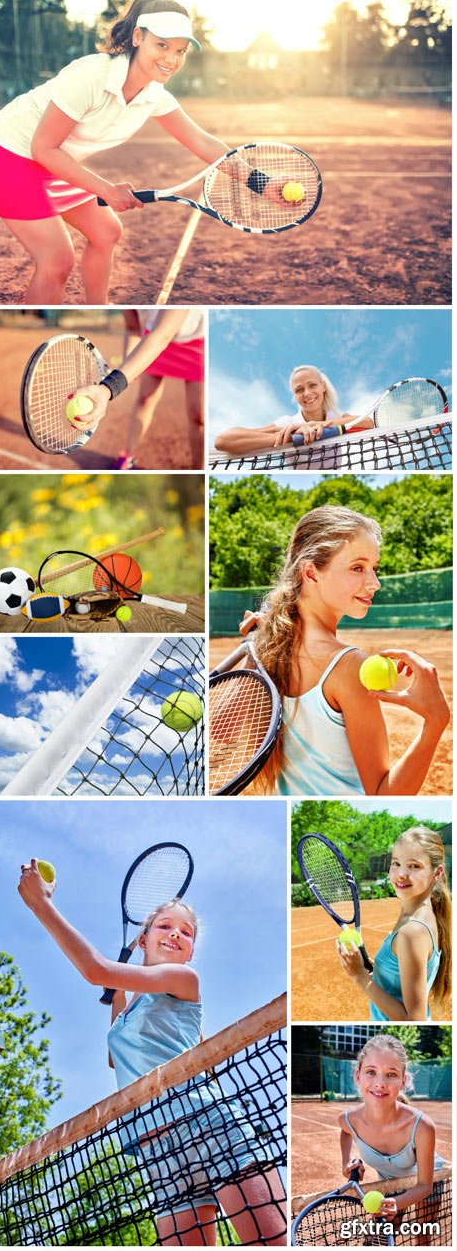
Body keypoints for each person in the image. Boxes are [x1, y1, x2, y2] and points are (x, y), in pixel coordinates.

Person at [18, 866, 287, 1246]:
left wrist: (42, 905)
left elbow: (95, 970)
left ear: (190, 950)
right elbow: (116, 1056)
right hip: (155, 1148)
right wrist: (118, 990)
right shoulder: (126, 1008)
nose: (176, 933)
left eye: (186, 932)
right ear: (142, 940)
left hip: (208, 1125)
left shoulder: (184, 980)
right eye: (164, 926)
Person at [0, 0, 292, 305]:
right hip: (7, 155)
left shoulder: (155, 95)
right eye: (162, 45)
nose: (171, 58)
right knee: (56, 260)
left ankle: (98, 307)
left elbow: (201, 142)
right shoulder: (92, 76)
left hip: (53, 161)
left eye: (181, 51)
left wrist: (262, 184)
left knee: (106, 231)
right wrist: (107, 189)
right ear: (138, 37)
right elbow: (43, 148)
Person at [241, 505, 449, 796]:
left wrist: (252, 642)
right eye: (357, 568)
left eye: (374, 568)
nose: (374, 583)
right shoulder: (349, 667)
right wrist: (435, 723)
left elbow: (226, 733)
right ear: (312, 573)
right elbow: (383, 796)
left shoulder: (264, 649)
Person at [337, 827, 452, 1022]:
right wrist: (380, 972)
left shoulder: (412, 931)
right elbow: (402, 974)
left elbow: (413, 1020)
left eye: (414, 866)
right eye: (396, 863)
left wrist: (361, 978)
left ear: (437, 872)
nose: (401, 874)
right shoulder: (419, 914)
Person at [69, 308, 204, 469]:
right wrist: (128, 364)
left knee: (199, 416)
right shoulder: (126, 298)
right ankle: (128, 455)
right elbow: (132, 328)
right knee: (145, 399)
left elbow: (163, 334)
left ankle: (199, 468)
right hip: (151, 340)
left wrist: (109, 387)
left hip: (194, 345)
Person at [339, 1034, 448, 1228]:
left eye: (391, 1074)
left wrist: (396, 1204)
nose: (380, 1082)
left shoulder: (422, 1126)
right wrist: (346, 1160)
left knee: (423, 1237)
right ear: (358, 1076)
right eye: (371, 1072)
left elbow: (424, 1185)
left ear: (403, 1081)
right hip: (391, 1184)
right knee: (381, 1238)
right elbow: (345, 1131)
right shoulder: (348, 1119)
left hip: (427, 1182)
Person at [214, 365, 374, 456]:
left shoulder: (336, 416)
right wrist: (290, 437)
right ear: (294, 395)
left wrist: (316, 425)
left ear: (323, 386)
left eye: (312, 385)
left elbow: (368, 422)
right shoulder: (287, 423)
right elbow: (223, 441)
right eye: (299, 390)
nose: (307, 394)